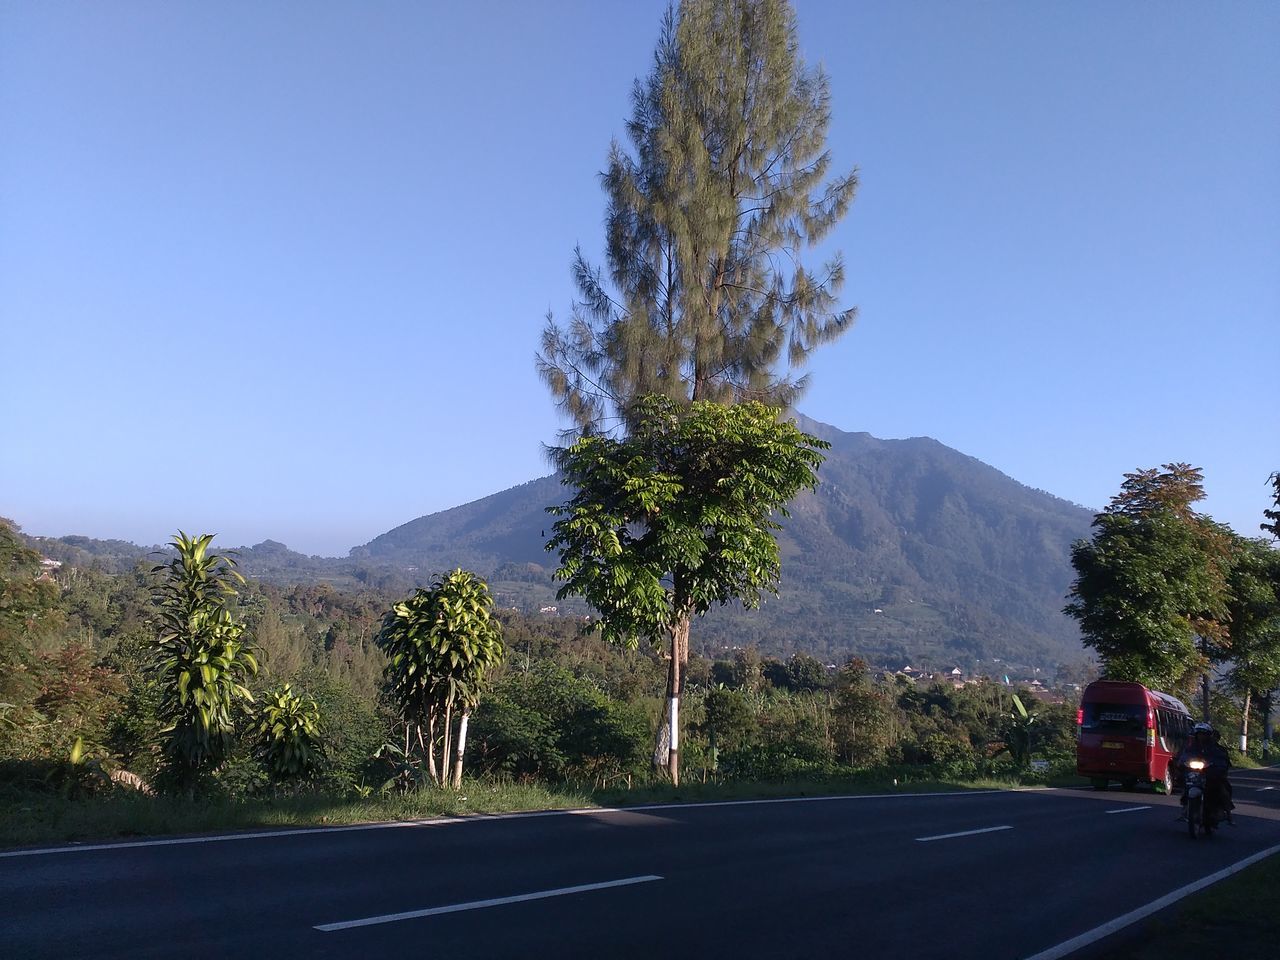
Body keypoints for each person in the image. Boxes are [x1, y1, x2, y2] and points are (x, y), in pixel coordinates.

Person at [1176, 722, 1233, 822]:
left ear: (1209, 735)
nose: (1201, 736)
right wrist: (1181, 763)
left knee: (1222, 787)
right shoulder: (1191, 748)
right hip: (1194, 774)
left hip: (1210, 775)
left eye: (1204, 734)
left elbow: (1222, 760)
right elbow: (1183, 757)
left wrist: (1217, 766)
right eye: (1199, 734)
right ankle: (1185, 807)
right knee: (1183, 783)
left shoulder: (1216, 749)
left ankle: (1227, 812)